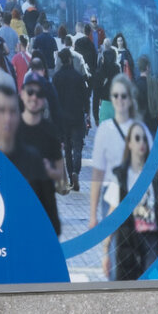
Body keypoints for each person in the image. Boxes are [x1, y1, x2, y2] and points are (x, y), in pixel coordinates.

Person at [0, 83, 57, 233]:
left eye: (12, 112)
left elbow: (51, 222)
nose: (7, 118)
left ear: (19, 115)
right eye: (1, 111)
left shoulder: (32, 159)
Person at [107, 120, 158, 280]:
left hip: (151, 239)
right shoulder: (121, 176)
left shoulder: (152, 175)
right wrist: (105, 249)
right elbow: (112, 213)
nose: (141, 142)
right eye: (136, 138)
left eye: (144, 139)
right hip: (129, 243)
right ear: (129, 143)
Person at [86, 74, 139, 231]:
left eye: (124, 95)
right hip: (110, 192)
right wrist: (93, 214)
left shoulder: (140, 130)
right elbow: (97, 173)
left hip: (134, 194)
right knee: (114, 245)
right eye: (116, 95)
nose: (120, 99)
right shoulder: (105, 130)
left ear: (130, 98)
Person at [17, 77, 66, 233]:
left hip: (46, 211)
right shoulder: (12, 131)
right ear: (22, 94)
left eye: (39, 94)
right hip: (19, 209)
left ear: (44, 99)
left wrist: (49, 170)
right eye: (30, 92)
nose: (34, 97)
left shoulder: (50, 131)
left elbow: (60, 175)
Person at [52, 48, 89, 191]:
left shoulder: (56, 77)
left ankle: (70, 174)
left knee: (67, 148)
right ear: (70, 59)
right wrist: (86, 112)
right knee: (78, 146)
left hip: (63, 118)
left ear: (61, 60)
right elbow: (86, 97)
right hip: (77, 116)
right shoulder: (78, 77)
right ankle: (76, 171)